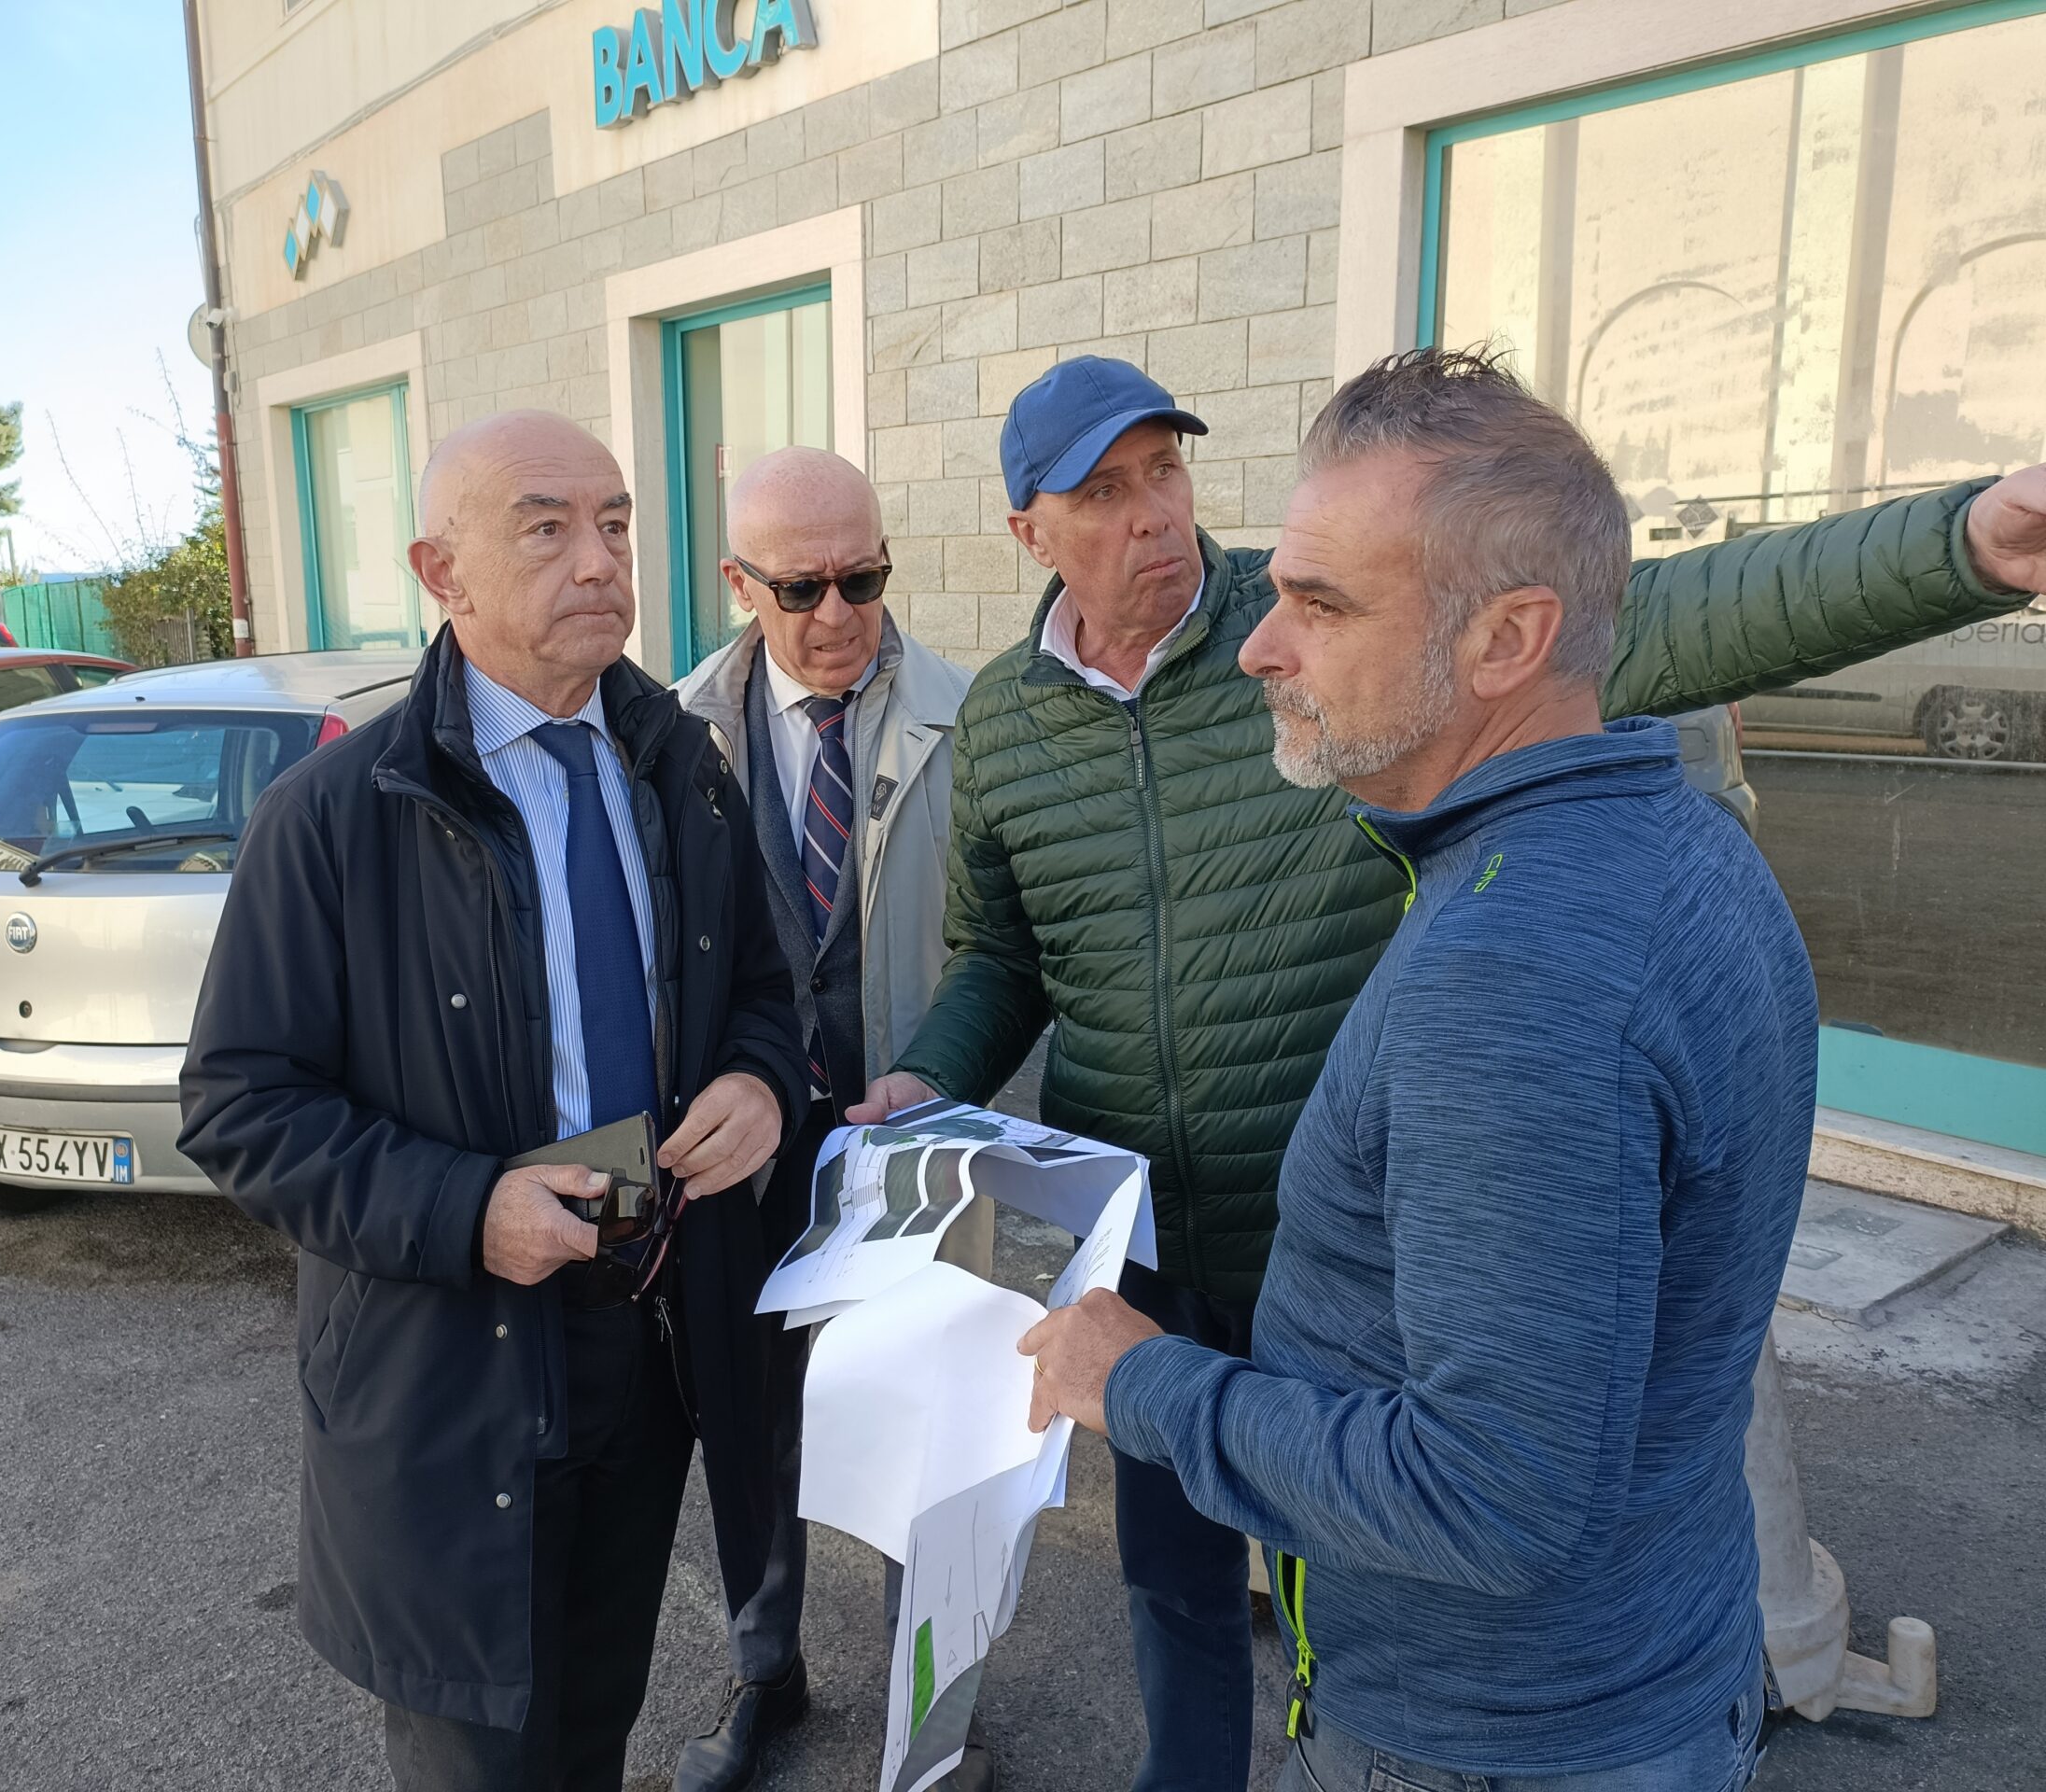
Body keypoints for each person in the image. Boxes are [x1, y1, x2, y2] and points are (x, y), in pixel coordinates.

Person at [848, 352, 2046, 1790]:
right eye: (1103, 491)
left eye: (1164, 468)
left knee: (1339, 1524)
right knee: (1182, 1582)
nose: (1158, 516)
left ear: (1509, 641)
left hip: (1383, 1262)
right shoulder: (1012, 721)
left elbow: (1671, 605)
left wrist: (1963, 545)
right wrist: (929, 1076)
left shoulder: (1472, 870)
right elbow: (1001, 952)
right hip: (1149, 1242)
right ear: (1029, 532)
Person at [1017, 345, 1815, 1786]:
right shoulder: (1685, 841)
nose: (1260, 646)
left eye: (1322, 607)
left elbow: (1488, 1494)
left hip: (1489, 1738)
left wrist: (1138, 1382)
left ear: (1508, 640)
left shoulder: (1511, 977)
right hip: (1648, 1668)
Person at [176, 410, 806, 1792]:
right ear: (440, 572)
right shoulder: (338, 815)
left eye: (616, 524)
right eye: (545, 528)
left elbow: (767, 989)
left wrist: (761, 1081)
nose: (599, 560)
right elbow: (240, 1106)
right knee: (483, 1758)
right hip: (456, 1371)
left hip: (648, 1336)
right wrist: (470, 1211)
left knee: (595, 1726)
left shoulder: (680, 770)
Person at [668, 446, 990, 1792]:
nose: (839, 612)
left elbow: (1004, 947)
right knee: (750, 1429)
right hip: (743, 1153)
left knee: (936, 1438)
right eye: (802, 588)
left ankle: (937, 1713)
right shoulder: (670, 736)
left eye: (865, 577)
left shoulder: (972, 721)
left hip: (913, 1136)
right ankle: (767, 1673)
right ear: (738, 584)